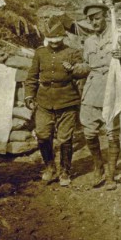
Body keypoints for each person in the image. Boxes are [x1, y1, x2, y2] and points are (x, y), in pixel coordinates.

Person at [76, 3, 121, 190]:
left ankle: (110, 174)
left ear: (105, 17)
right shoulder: (89, 41)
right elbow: (87, 65)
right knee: (89, 132)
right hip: (92, 90)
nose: (94, 22)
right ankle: (98, 166)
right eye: (90, 19)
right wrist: (76, 69)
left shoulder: (120, 37)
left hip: (114, 89)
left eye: (97, 18)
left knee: (112, 134)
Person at [24, 19, 85, 187]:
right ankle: (50, 167)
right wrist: (29, 96)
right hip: (44, 101)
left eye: (58, 40)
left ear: (63, 38)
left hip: (67, 100)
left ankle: (65, 171)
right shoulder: (40, 53)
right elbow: (31, 77)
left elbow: (82, 72)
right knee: (43, 134)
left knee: (65, 138)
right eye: (51, 40)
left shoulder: (72, 52)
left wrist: (73, 69)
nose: (55, 43)